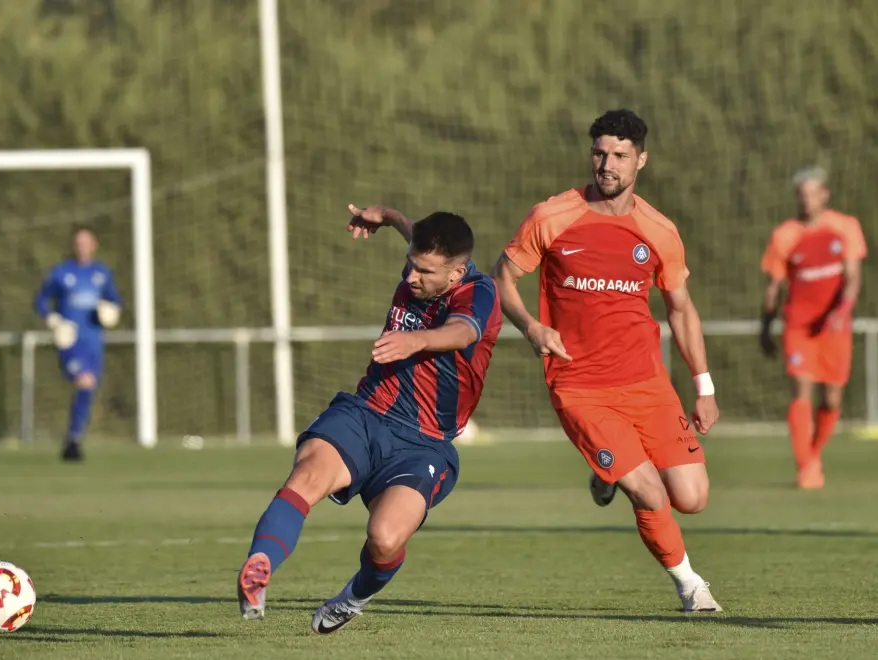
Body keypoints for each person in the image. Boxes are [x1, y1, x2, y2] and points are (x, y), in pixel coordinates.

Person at [492, 109, 722, 612]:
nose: (607, 164)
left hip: (647, 383)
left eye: (619, 155)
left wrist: (703, 387)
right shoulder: (552, 215)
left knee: (692, 497)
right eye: (599, 153)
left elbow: (681, 309)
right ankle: (690, 585)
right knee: (648, 491)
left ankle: (607, 472)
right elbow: (502, 279)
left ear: (641, 159)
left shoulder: (659, 229)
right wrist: (531, 326)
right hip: (579, 385)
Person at [236, 205, 501, 633]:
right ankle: (259, 565)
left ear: (456, 273)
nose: (411, 278)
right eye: (409, 266)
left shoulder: (479, 292)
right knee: (306, 477)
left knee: (385, 538)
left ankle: (355, 597)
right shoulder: (426, 263)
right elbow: (414, 234)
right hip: (366, 414)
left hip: (423, 442)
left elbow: (464, 332)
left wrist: (417, 341)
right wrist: (390, 216)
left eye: (424, 273)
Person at [759, 167, 866, 489]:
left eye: (812, 193)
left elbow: (852, 278)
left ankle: (814, 454)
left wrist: (842, 310)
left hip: (834, 326)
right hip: (799, 326)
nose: (806, 200)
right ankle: (805, 466)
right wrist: (765, 327)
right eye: (801, 195)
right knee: (802, 389)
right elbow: (774, 287)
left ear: (825, 195)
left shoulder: (846, 227)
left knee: (832, 399)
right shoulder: (785, 235)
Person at [34, 226, 121, 462]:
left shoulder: (102, 274)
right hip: (70, 342)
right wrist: (52, 319)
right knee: (85, 382)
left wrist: (110, 312)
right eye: (78, 242)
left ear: (94, 245)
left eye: (86, 242)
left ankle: (73, 439)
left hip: (94, 343)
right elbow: (41, 300)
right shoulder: (61, 273)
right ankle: (73, 441)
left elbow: (114, 301)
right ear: (73, 246)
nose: (82, 246)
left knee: (88, 388)